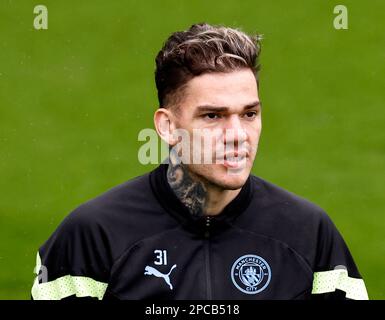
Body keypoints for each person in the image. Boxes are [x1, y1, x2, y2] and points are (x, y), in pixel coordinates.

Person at [31, 23, 368, 300]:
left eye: (249, 113)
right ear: (167, 126)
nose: (238, 134)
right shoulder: (93, 235)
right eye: (212, 116)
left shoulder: (308, 233)